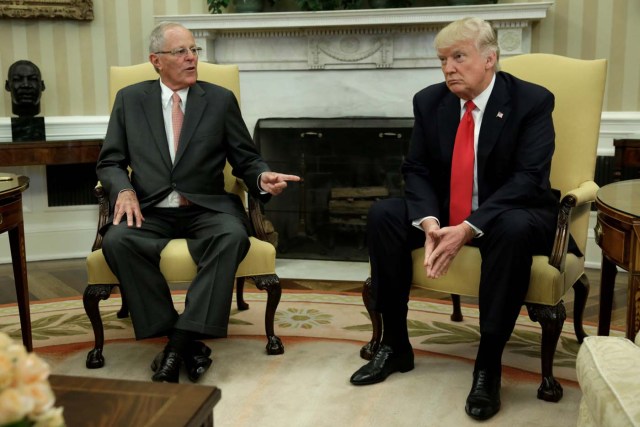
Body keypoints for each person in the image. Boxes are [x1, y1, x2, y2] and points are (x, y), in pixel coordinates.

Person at [349, 17, 561, 421]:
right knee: (384, 215)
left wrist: (468, 227)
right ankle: (395, 346)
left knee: (513, 228)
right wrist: (429, 222)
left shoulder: (532, 101)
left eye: (458, 57)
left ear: (490, 58)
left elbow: (529, 179)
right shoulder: (430, 101)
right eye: (443, 59)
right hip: (448, 214)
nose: (448, 68)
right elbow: (417, 169)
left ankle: (488, 365)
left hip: (513, 213)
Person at [96, 21, 300, 384]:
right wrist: (123, 191)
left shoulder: (219, 100)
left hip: (207, 207)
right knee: (117, 240)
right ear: (156, 60)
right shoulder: (130, 100)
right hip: (150, 208)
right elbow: (110, 161)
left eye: (194, 50)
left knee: (231, 237)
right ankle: (188, 343)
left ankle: (176, 344)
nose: (192, 58)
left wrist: (260, 178)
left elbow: (246, 159)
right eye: (181, 52)